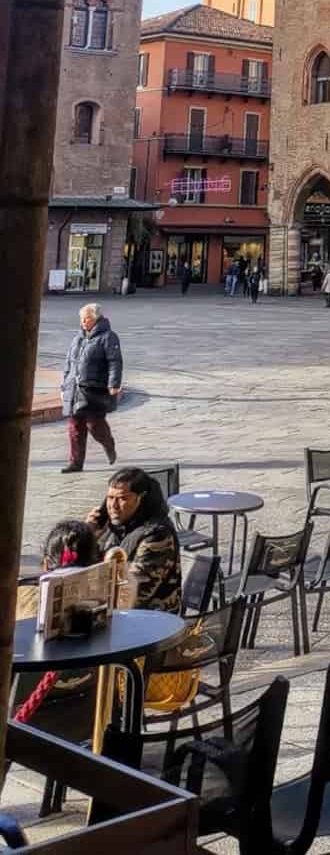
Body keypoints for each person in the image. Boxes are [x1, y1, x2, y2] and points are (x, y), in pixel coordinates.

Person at [10, 521, 103, 741]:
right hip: (88, 722)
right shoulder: (110, 608)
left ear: (45, 565)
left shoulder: (20, 600)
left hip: (23, 728)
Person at [86, 467, 182, 614]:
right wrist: (88, 536)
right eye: (110, 498)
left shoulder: (157, 535)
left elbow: (133, 595)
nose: (113, 506)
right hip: (117, 609)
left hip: (149, 618)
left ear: (141, 499)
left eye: (122, 498)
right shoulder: (114, 527)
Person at [60, 303, 121, 474]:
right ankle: (75, 463)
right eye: (81, 319)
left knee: (95, 425)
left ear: (96, 318)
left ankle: (108, 444)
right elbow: (68, 364)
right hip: (75, 389)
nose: (83, 322)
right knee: (75, 427)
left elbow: (115, 362)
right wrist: (64, 387)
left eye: (86, 319)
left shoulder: (108, 337)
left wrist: (114, 384)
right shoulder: (77, 339)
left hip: (95, 389)